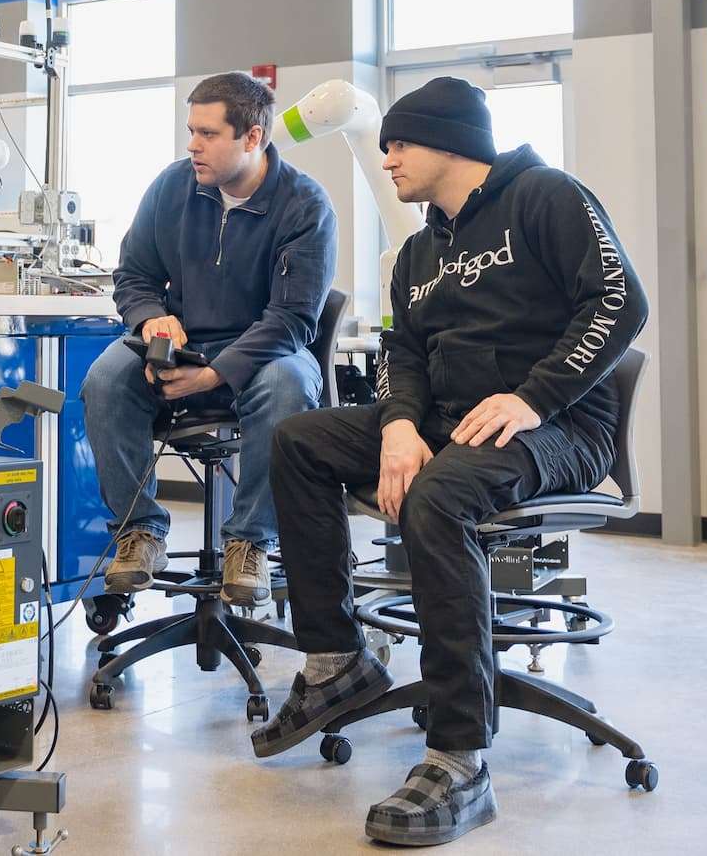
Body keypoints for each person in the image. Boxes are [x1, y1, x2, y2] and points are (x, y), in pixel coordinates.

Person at [253, 76, 647, 848]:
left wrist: (535, 397)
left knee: (437, 496)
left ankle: (460, 756)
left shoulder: (547, 197)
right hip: (448, 419)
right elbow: (403, 353)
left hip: (556, 423)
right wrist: (398, 423)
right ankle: (336, 658)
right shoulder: (420, 249)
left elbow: (620, 302)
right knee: (299, 439)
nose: (387, 157)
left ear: (448, 142)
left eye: (398, 143)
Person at [84, 70, 337, 606]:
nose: (193, 147)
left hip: (268, 352)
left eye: (208, 134)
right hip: (186, 344)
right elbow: (133, 276)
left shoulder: (304, 206)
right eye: (191, 132)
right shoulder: (173, 186)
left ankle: (249, 542)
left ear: (253, 136)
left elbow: (291, 319)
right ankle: (140, 531)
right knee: (105, 378)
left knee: (287, 384)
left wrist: (216, 373)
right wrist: (151, 318)